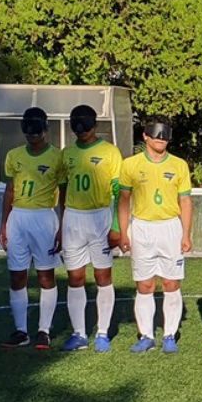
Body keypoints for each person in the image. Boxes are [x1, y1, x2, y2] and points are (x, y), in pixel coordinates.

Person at [118, 118, 193, 353]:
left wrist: (186, 234)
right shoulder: (130, 164)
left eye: (165, 135)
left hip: (170, 227)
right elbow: (123, 200)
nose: (160, 139)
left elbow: (186, 201)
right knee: (145, 284)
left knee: (171, 282)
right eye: (156, 134)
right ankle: (147, 336)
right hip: (141, 228)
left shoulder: (179, 165)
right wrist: (123, 233)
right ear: (146, 136)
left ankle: (169, 334)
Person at [0, 108, 66, 350]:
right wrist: (4, 223)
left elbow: (64, 195)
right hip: (18, 219)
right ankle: (20, 331)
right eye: (28, 133)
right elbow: (10, 190)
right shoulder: (13, 155)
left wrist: (63, 226)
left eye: (36, 132)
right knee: (17, 275)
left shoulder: (57, 157)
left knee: (46, 276)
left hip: (44, 219)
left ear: (45, 130)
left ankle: (43, 331)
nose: (32, 137)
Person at [59, 105, 123, 352]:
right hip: (73, 219)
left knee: (102, 276)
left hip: (100, 217)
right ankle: (79, 333)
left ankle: (103, 332)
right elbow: (63, 190)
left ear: (94, 125)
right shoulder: (67, 154)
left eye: (85, 126)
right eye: (77, 127)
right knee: (75, 277)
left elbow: (118, 192)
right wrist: (61, 222)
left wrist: (116, 226)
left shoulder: (110, 152)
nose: (82, 132)